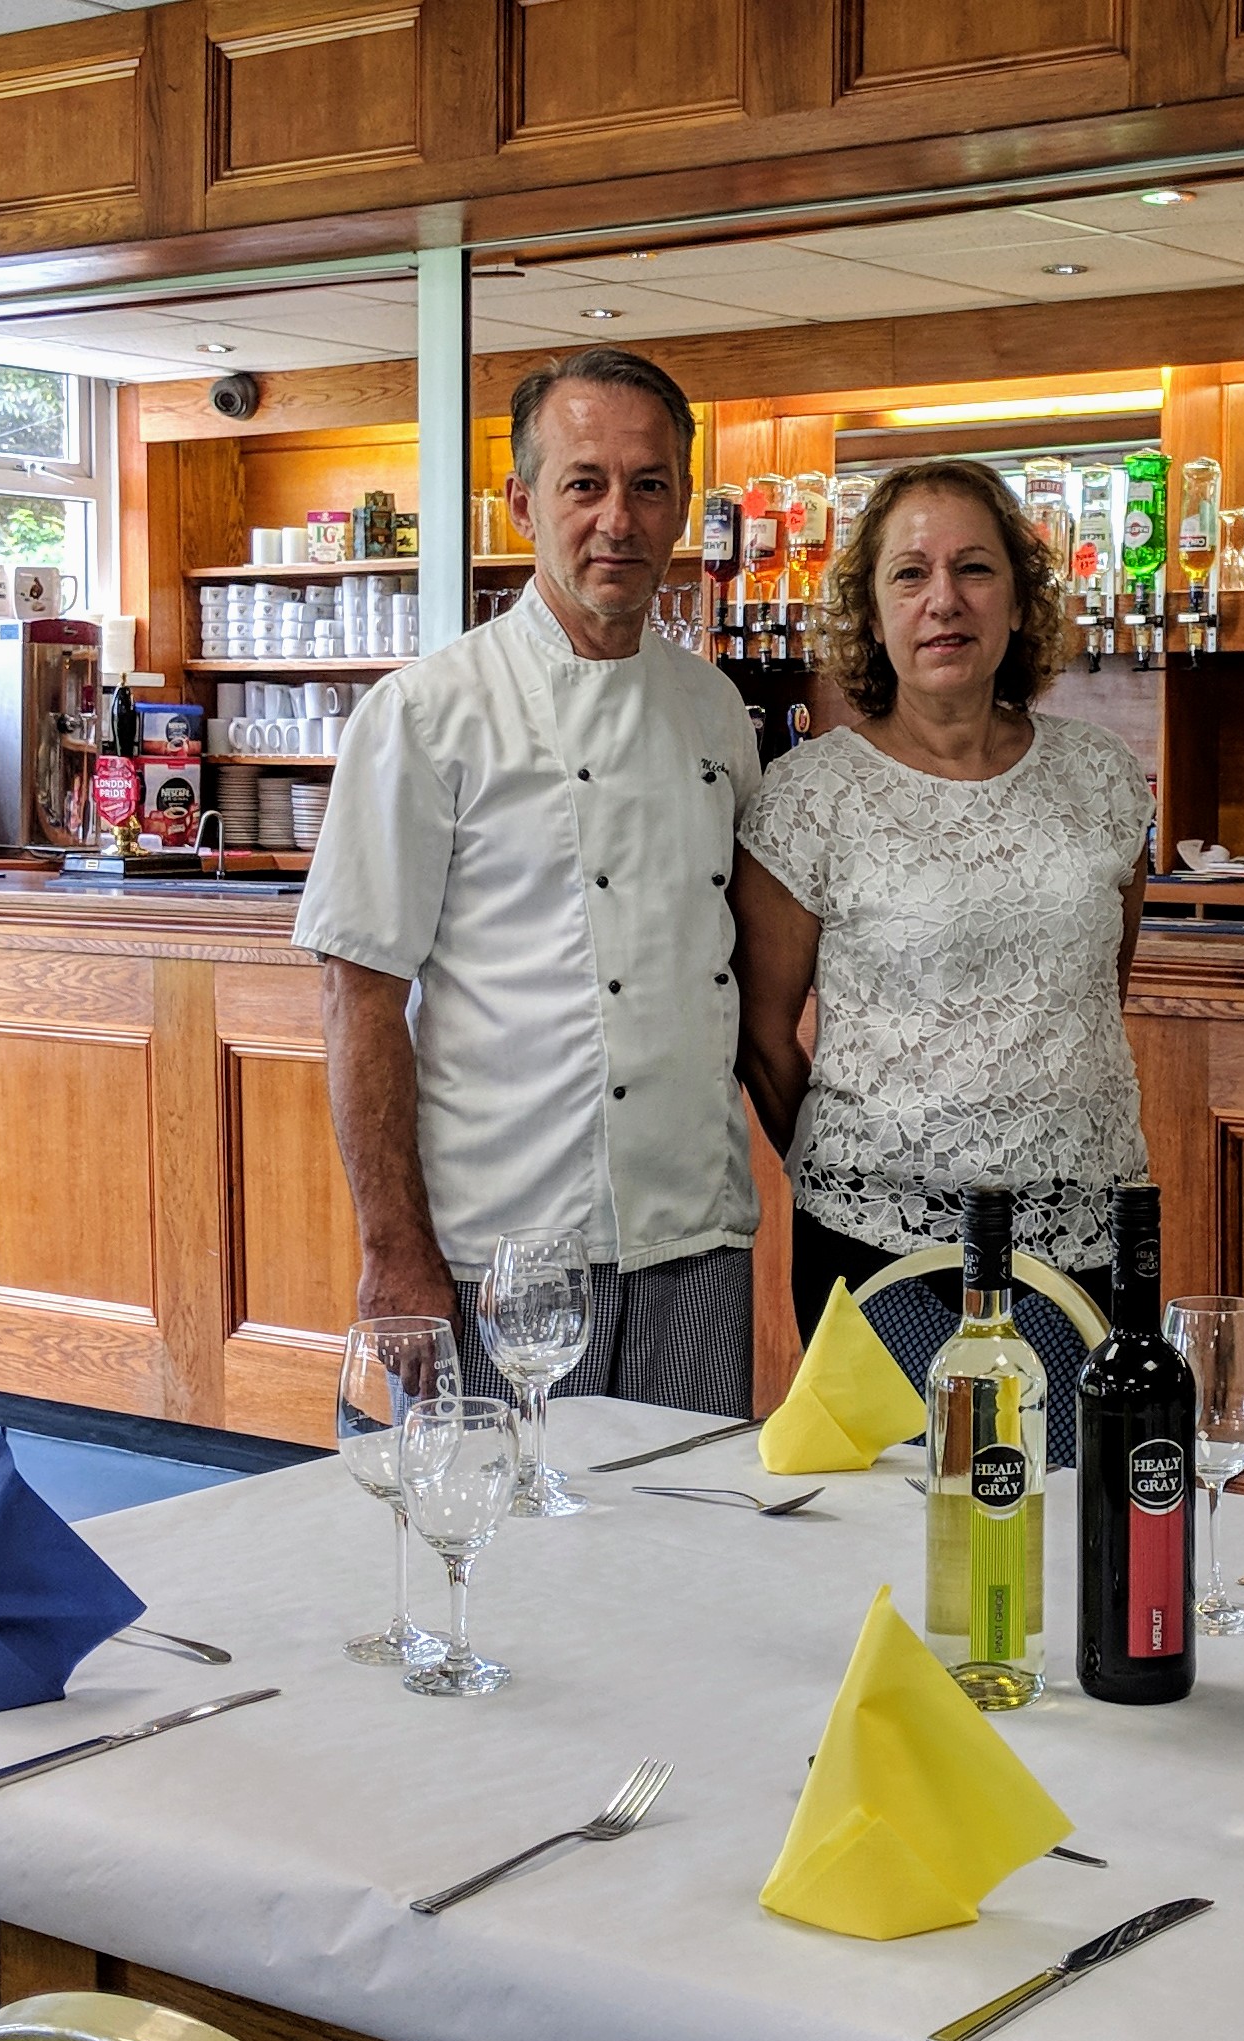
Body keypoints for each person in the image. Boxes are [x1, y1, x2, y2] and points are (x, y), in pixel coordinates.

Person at [295, 348, 760, 1416]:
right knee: (498, 1556)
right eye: (584, 483)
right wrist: (393, 1250)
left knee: (690, 1562)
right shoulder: (426, 713)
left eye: (649, 487)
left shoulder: (713, 709)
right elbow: (357, 996)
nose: (620, 520)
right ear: (519, 504)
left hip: (694, 1231)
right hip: (498, 1248)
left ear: (683, 503)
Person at [733, 458, 1153, 1346]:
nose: (945, 600)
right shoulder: (811, 796)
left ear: (1019, 596)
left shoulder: (1105, 776)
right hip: (879, 1246)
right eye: (911, 573)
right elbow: (761, 1037)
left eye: (974, 568)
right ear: (871, 610)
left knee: (1082, 1482)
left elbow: (1095, 993)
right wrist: (854, 1175)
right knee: (891, 1490)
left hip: (1089, 1232)